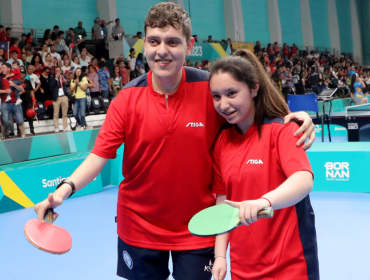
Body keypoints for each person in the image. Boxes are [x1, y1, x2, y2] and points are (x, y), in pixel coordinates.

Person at [33, 3, 315, 280]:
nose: (162, 51)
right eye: (154, 41)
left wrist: (293, 117)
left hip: (198, 229)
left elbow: (248, 105)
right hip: (138, 227)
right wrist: (62, 192)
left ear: (189, 45)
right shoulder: (127, 98)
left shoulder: (210, 89)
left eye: (172, 42)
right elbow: (98, 157)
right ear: (145, 44)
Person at [209, 50, 318, 280]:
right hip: (243, 267)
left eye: (231, 93)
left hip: (290, 266)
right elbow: (222, 199)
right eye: (216, 96)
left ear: (254, 88)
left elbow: (303, 178)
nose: (223, 104)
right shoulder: (221, 141)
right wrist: (220, 255)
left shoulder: (282, 131)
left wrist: (263, 202)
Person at [0, 63, 26, 140]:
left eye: (3, 68)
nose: (2, 69)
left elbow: (22, 89)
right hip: (5, 103)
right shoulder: (1, 78)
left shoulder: (15, 77)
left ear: (8, 69)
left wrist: (14, 85)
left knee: (20, 120)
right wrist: (5, 91)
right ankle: (2, 136)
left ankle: (23, 136)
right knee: (4, 121)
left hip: (15, 103)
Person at [50, 66, 71, 132]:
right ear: (54, 72)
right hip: (57, 97)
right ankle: (57, 127)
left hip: (64, 96)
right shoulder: (52, 78)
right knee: (56, 113)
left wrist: (66, 81)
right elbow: (51, 86)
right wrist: (56, 78)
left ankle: (65, 127)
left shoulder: (63, 77)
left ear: (61, 71)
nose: (58, 72)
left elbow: (68, 85)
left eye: (59, 70)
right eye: (56, 71)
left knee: (64, 113)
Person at [19, 68, 36, 135]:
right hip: (20, 102)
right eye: (21, 73)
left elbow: (31, 90)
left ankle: (32, 130)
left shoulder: (27, 81)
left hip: (28, 101)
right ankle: (19, 132)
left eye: (23, 73)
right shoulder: (17, 82)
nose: (22, 75)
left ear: (25, 74)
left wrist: (33, 98)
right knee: (20, 117)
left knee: (30, 116)